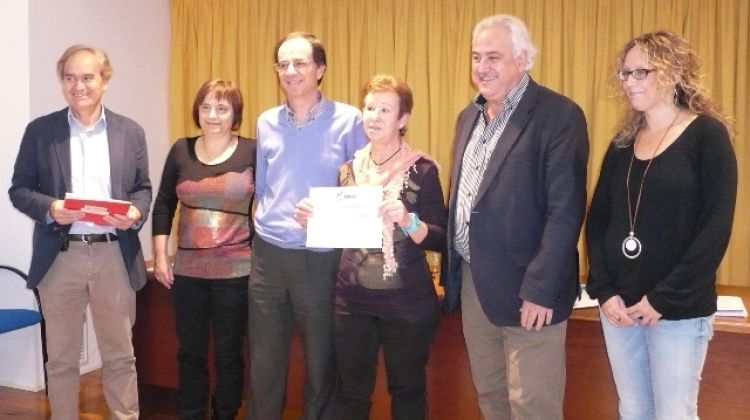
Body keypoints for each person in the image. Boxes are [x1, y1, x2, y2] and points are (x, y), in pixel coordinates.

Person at [441, 14, 589, 419]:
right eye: (476, 57)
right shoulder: (467, 117)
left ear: (523, 60)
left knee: (532, 406)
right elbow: (465, 202)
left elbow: (566, 210)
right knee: (491, 396)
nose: (482, 67)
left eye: (494, 57)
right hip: (475, 282)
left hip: (530, 287)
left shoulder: (559, 116)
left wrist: (540, 287)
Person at [585, 31, 737, 419]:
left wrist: (663, 299)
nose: (630, 82)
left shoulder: (707, 136)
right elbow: (599, 220)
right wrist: (604, 292)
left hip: (678, 309)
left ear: (672, 72)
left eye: (641, 72)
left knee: (674, 414)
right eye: (625, 74)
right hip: (620, 309)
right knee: (633, 411)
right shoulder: (622, 143)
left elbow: (715, 228)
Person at [8, 44, 151, 419]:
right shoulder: (41, 131)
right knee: (61, 360)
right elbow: (19, 190)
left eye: (87, 77)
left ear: (105, 80)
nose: (78, 86)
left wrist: (136, 212)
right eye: (69, 77)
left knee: (120, 356)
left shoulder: (129, 131)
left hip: (114, 256)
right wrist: (51, 208)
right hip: (60, 256)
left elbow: (143, 188)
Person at [296, 74, 446, 419]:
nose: (374, 116)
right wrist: (313, 221)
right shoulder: (348, 170)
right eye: (369, 107)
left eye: (385, 109)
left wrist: (409, 222)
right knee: (351, 392)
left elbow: (440, 236)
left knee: (407, 391)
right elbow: (339, 236)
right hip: (352, 303)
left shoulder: (422, 170)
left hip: (407, 303)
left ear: (403, 118)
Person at [248, 32, 367, 420]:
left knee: (320, 356)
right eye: (283, 64)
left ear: (320, 69)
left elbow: (365, 190)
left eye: (300, 63)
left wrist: (328, 213)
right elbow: (264, 189)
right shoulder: (266, 122)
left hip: (319, 257)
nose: (291, 71)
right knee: (264, 356)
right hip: (268, 254)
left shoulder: (349, 120)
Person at [151, 79, 255, 420]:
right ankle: (191, 412)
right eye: (206, 107)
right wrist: (162, 255)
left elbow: (270, 202)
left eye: (222, 108)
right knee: (190, 351)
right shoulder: (181, 149)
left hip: (237, 272)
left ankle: (225, 413)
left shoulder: (252, 150)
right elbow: (164, 203)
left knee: (228, 351)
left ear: (234, 114)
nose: (212, 115)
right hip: (188, 272)